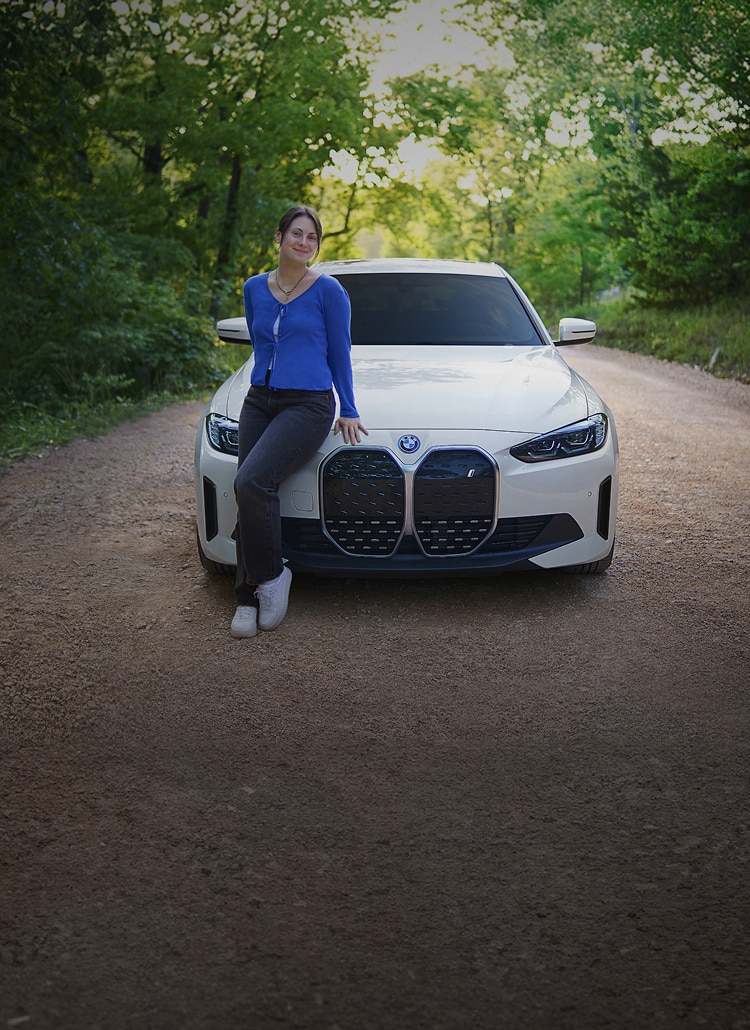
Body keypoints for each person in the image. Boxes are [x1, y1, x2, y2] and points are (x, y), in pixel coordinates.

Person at [230, 205, 368, 638]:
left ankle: (269, 580)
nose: (304, 243)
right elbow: (258, 339)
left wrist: (348, 405)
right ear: (279, 237)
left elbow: (339, 352)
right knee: (246, 487)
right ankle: (248, 596)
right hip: (258, 400)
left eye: (312, 237)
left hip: (308, 404)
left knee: (253, 480)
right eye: (297, 234)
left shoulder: (329, 291)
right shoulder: (254, 288)